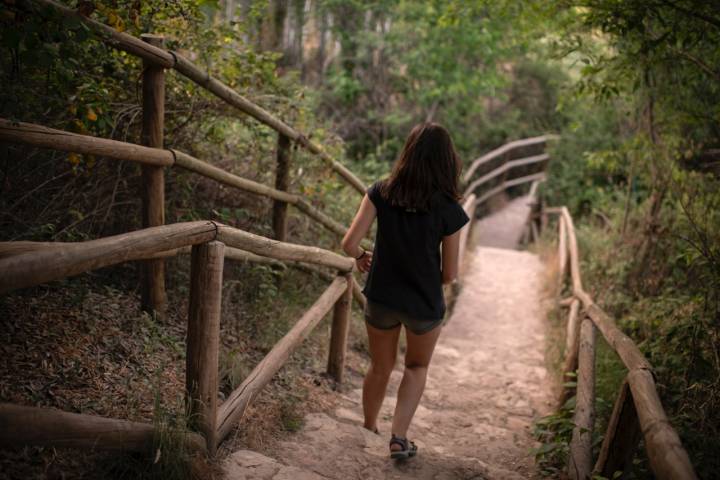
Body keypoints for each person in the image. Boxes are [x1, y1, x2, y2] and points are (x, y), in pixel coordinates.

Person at [341, 122, 469, 460]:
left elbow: (349, 243)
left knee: (379, 366)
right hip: (423, 304)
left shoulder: (382, 191)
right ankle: (399, 437)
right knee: (415, 368)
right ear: (447, 161)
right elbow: (450, 274)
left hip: (382, 296)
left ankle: (368, 427)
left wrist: (360, 257)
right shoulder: (449, 209)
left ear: (408, 152)